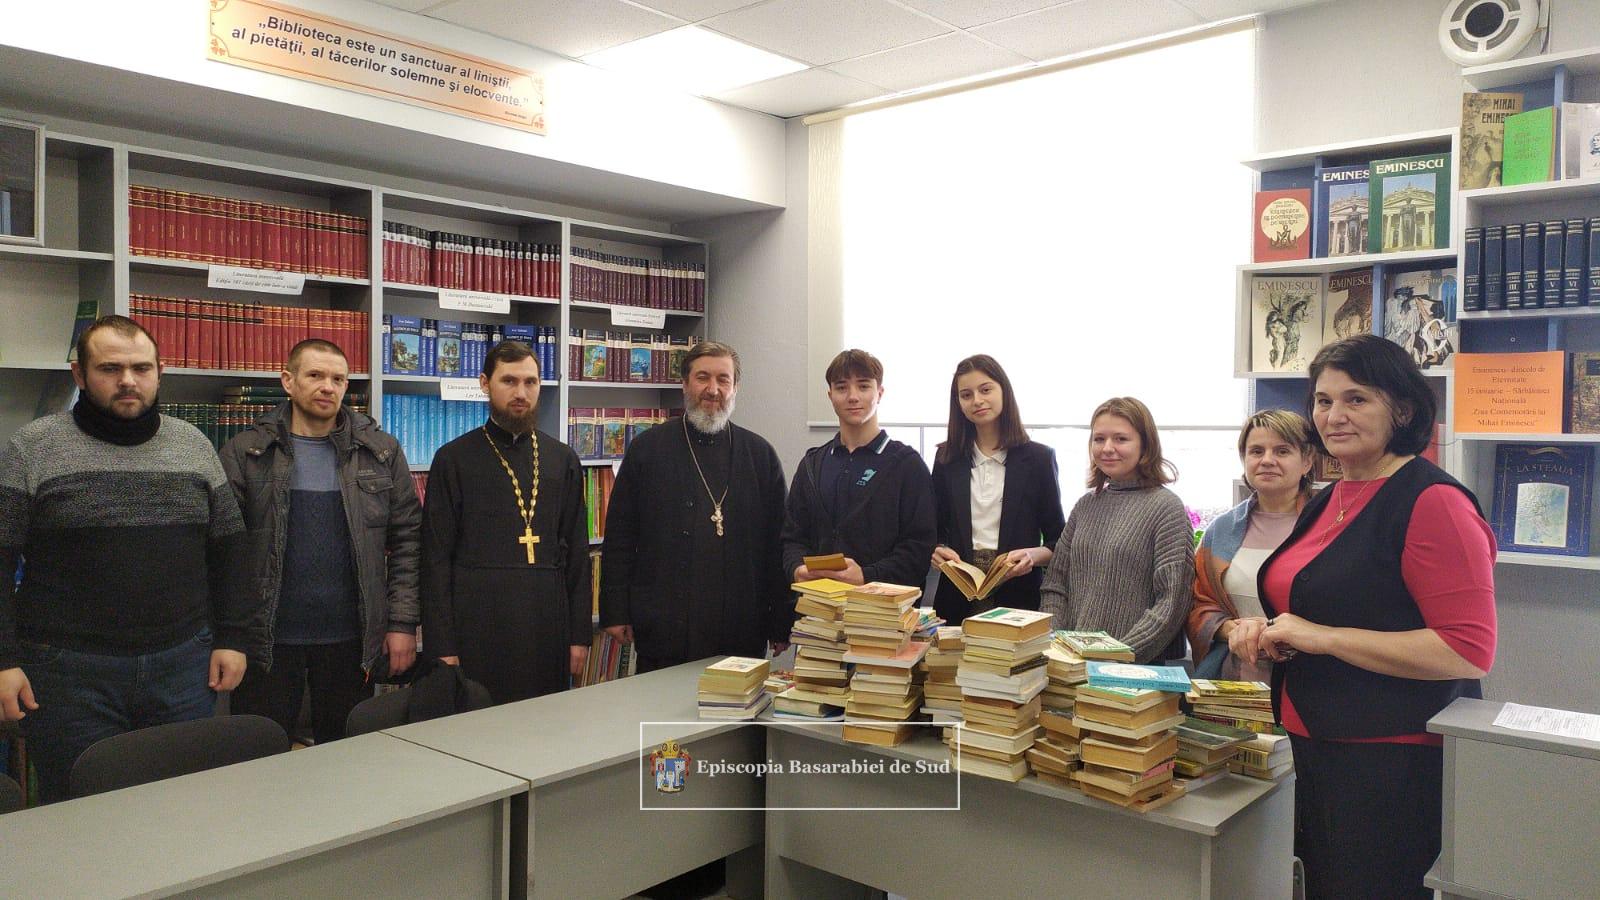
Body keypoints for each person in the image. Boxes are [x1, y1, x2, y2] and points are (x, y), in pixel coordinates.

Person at [1251, 334, 1495, 898]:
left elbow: (1467, 649)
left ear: (1402, 409)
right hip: (1313, 742)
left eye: (1356, 399)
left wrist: (1325, 637)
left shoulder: (1434, 501)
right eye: (1323, 400)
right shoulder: (1331, 496)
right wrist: (1278, 634)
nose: (1333, 415)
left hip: (1389, 760)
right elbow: (1325, 602)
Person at [0, 316, 264, 802]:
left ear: (159, 373)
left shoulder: (193, 445)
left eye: (141, 368)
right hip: (68, 674)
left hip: (183, 667)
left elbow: (229, 551)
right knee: (78, 807)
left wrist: (234, 638)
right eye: (110, 368)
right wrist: (4, 661)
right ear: (80, 375)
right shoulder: (32, 449)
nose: (127, 380)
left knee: (178, 803)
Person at [221, 339, 421, 744]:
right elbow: (224, 554)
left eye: (338, 379)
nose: (327, 386)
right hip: (267, 642)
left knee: (344, 758)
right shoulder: (247, 453)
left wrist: (401, 623)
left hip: (352, 641)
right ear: (288, 381)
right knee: (260, 757)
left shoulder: (380, 452)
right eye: (315, 375)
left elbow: (408, 542)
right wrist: (229, 635)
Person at [598, 341, 790, 672]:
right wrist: (616, 610)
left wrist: (782, 618)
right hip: (665, 626)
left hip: (741, 626)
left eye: (723, 379)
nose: (713, 389)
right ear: (685, 384)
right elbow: (620, 537)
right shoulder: (647, 450)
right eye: (703, 378)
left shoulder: (760, 455)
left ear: (735, 388)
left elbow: (779, 544)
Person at [420, 340, 590, 705]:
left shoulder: (563, 459)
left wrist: (579, 636)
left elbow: (577, 553)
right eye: (509, 381)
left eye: (530, 382)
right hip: (478, 624)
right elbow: (435, 559)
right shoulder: (453, 459)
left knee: (544, 722)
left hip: (546, 624)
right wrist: (443, 646)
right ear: (485, 383)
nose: (521, 393)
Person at [1037, 396, 1194, 663]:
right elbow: (1055, 585)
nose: (1107, 448)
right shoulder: (1086, 506)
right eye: (1099, 439)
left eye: (1121, 439)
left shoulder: (1167, 508)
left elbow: (1172, 602)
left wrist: (1119, 656)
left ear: (1145, 445)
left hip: (1134, 669)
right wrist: (1059, 645)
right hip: (1070, 664)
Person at [782, 349, 935, 589]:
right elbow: (792, 538)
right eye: (842, 388)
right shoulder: (812, 464)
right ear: (830, 395)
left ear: (879, 393)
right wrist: (796, 568)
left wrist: (866, 575)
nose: (853, 397)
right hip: (818, 606)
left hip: (882, 607)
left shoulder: (907, 465)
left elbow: (919, 549)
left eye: (863, 386)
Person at [929, 354, 1065, 625]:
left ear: (1004, 391)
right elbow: (934, 530)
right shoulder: (946, 459)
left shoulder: (1038, 459)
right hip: (957, 595)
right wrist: (937, 550)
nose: (977, 400)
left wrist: (1030, 556)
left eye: (985, 390)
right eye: (966, 395)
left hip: (1018, 595)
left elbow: (1057, 541)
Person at [1185, 409, 1317, 683]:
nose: (1267, 460)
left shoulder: (1327, 526)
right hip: (1233, 678)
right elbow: (1198, 604)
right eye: (1256, 451)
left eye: (1282, 451)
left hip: (1309, 678)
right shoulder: (1220, 531)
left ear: (1306, 461)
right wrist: (1230, 630)